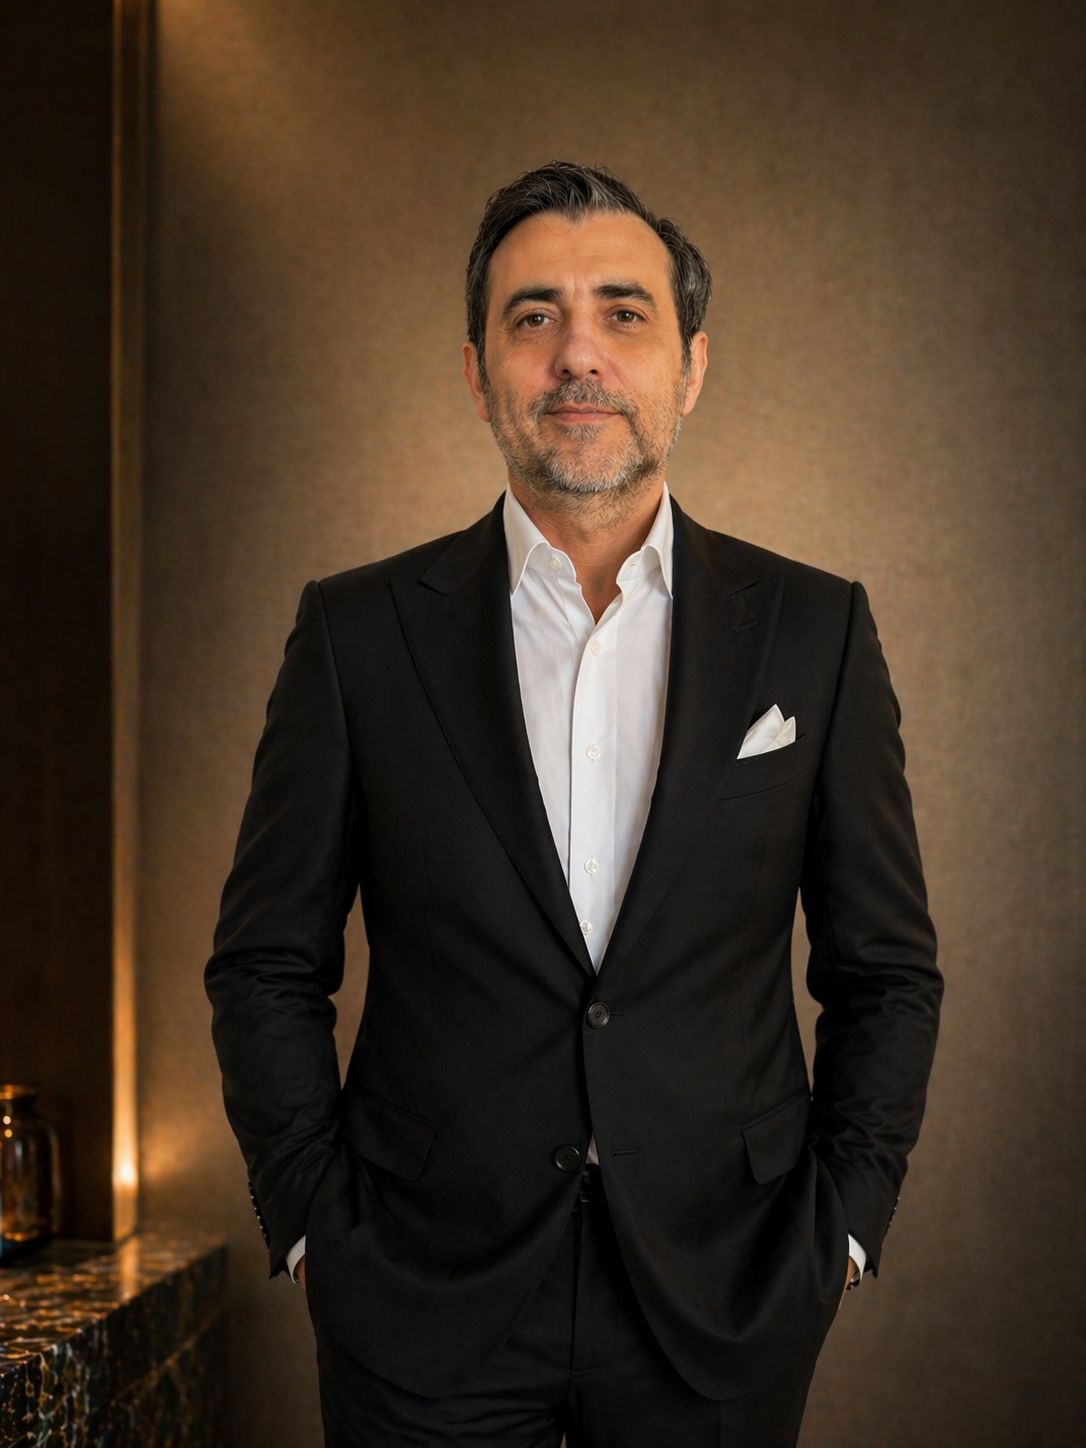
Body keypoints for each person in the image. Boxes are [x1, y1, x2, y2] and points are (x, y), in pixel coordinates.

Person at [205, 160, 942, 1447]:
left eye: (624, 313)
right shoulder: (356, 633)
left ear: (692, 366)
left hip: (726, 1287)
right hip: (419, 1293)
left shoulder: (814, 629)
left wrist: (847, 1228)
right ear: (478, 369)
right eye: (534, 316)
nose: (578, 354)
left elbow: (885, 969)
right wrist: (314, 1219)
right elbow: (266, 959)